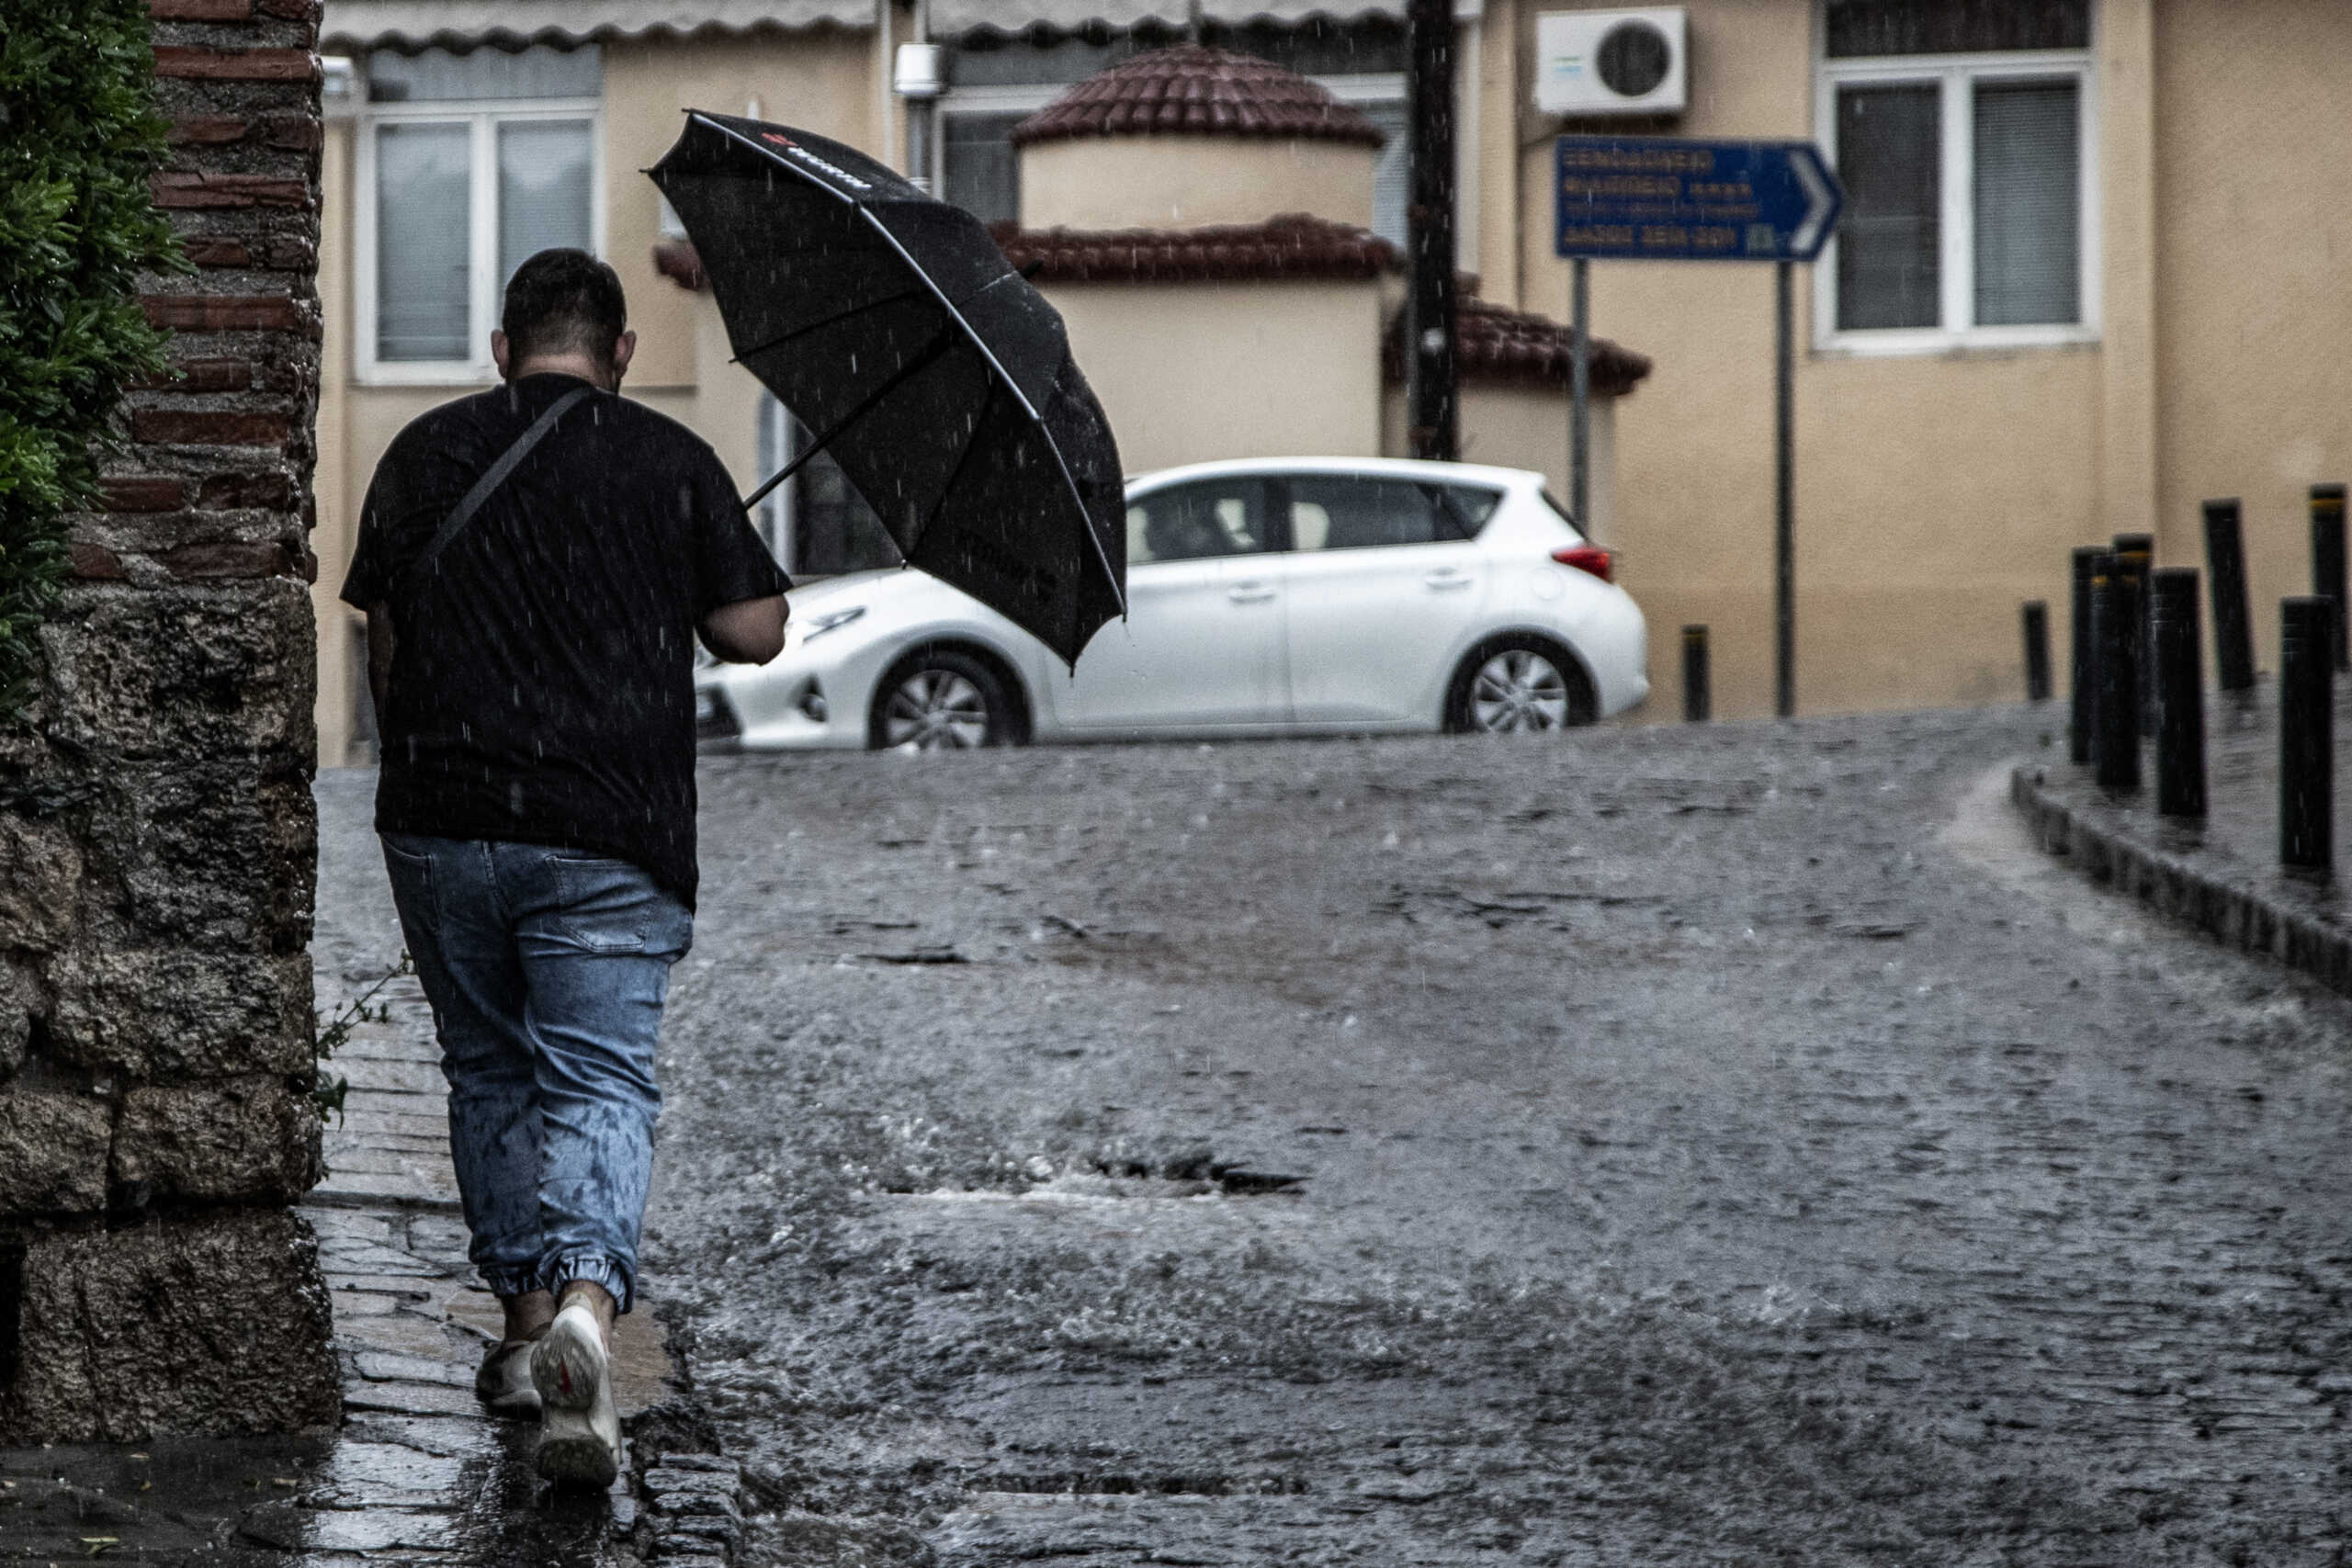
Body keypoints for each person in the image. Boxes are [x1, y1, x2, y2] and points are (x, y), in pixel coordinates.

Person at [340, 249, 787, 1487]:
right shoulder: (671, 462)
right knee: (597, 1079)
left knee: (488, 1070)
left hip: (445, 820)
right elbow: (755, 631)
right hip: (610, 831)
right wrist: (713, 560)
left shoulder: (426, 454)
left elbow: (385, 641)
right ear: (622, 352)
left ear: (502, 347)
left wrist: (419, 771)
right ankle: (591, 1313)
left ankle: (526, 1328)